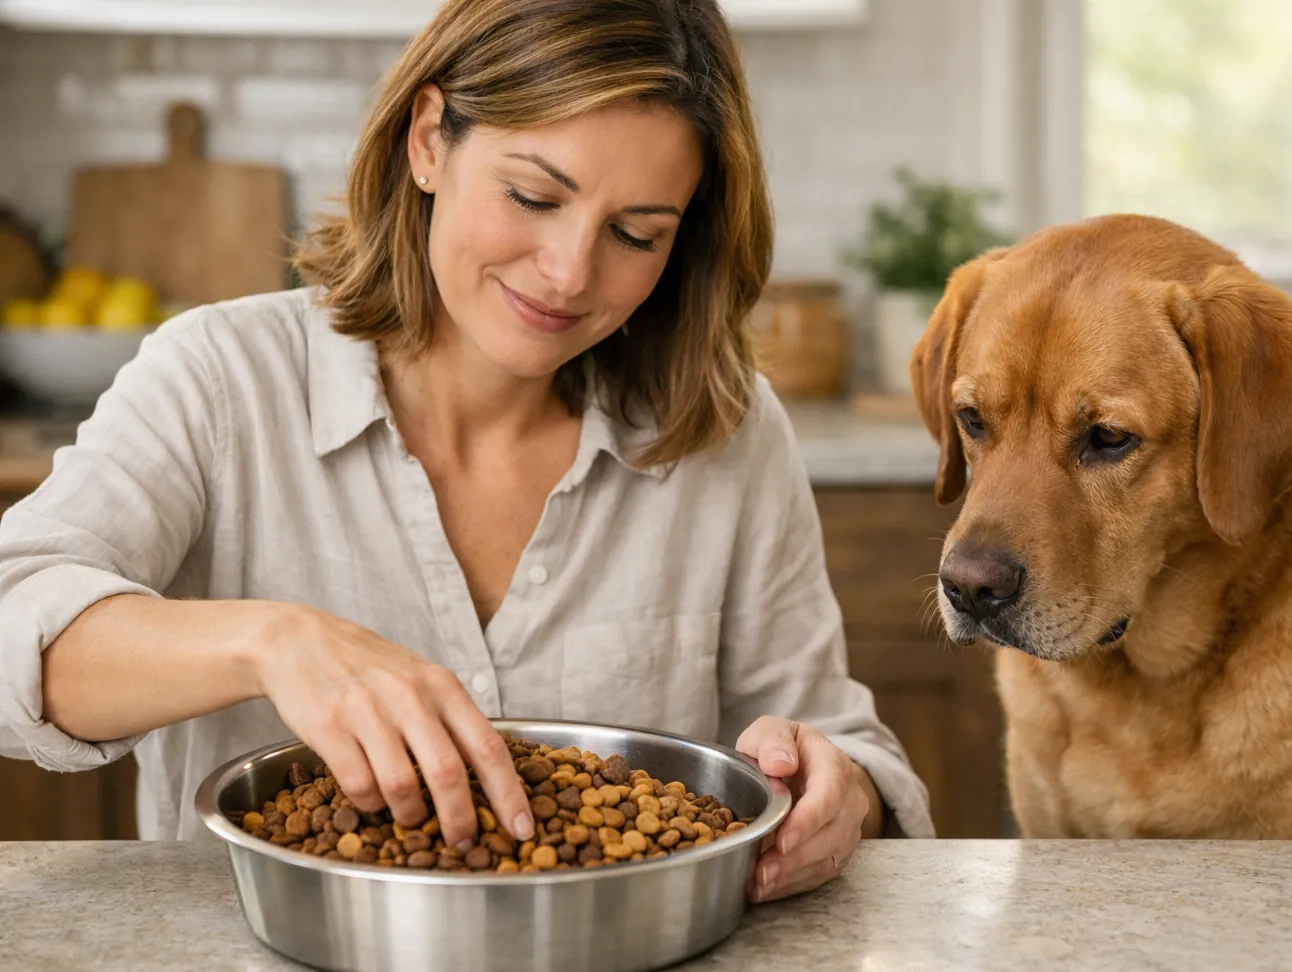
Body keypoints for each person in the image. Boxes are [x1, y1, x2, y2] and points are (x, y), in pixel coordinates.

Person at [0, 0, 933, 901]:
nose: (569, 272)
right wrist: (273, 642)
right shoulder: (220, 379)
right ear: (428, 141)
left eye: (635, 233)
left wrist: (839, 791)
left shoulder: (725, 428)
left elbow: (839, 741)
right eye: (533, 196)